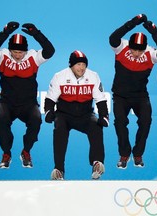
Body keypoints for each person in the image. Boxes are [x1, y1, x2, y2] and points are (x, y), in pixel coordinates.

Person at [109, 14, 157, 169]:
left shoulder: (150, 53)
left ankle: (138, 154)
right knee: (120, 123)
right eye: (134, 50)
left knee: (146, 121)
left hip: (140, 95)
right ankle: (124, 154)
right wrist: (133, 23)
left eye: (139, 51)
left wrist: (154, 32)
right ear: (129, 46)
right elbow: (113, 37)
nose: (136, 54)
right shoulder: (121, 46)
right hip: (120, 96)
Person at [44, 50, 109, 180]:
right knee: (59, 130)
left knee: (96, 127)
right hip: (64, 114)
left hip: (85, 114)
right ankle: (59, 170)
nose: (82, 67)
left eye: (84, 64)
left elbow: (100, 99)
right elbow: (50, 98)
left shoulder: (93, 76)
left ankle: (97, 163)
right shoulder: (59, 76)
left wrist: (104, 116)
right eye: (78, 64)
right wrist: (49, 112)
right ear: (71, 65)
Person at [0, 21, 55, 169]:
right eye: (15, 52)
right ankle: (6, 153)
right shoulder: (2, 55)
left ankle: (26, 152)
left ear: (26, 51)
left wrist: (37, 33)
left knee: (36, 120)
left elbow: (50, 51)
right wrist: (5, 33)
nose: (18, 55)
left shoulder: (33, 56)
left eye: (21, 52)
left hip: (28, 104)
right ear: (9, 50)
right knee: (1, 120)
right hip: (7, 102)